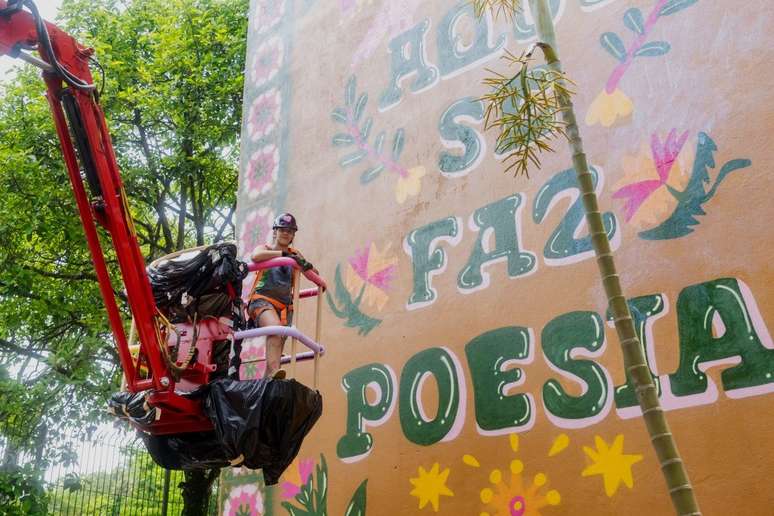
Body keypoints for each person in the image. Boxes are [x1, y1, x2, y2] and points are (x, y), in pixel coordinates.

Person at [248, 213, 315, 379]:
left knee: (277, 346)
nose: (286, 233)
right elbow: (255, 256)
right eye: (282, 229)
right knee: (276, 330)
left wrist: (304, 264)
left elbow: (313, 273)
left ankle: (267, 384)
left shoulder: (295, 253)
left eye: (290, 231)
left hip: (285, 308)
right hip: (261, 301)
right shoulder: (266, 249)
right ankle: (272, 374)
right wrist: (284, 256)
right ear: (275, 232)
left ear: (293, 235)